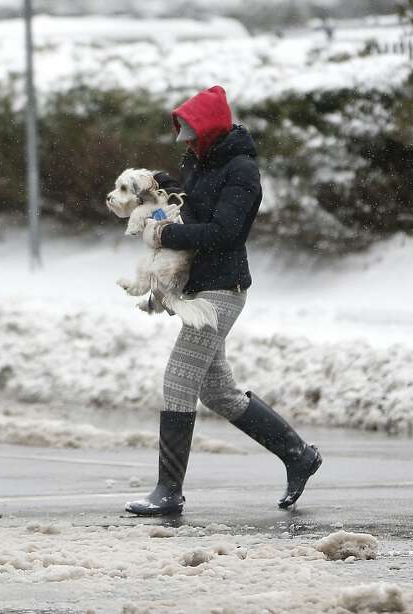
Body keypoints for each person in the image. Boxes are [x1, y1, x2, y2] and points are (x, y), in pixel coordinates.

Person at [125, 85, 322, 516]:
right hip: (197, 287)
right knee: (218, 391)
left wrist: (167, 234)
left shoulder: (242, 170)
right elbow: (193, 208)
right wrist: (163, 190)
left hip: (223, 289)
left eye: (193, 134)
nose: (188, 143)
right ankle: (299, 456)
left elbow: (226, 232)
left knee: (179, 379)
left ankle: (168, 490)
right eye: (184, 136)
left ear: (211, 130)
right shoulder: (198, 161)